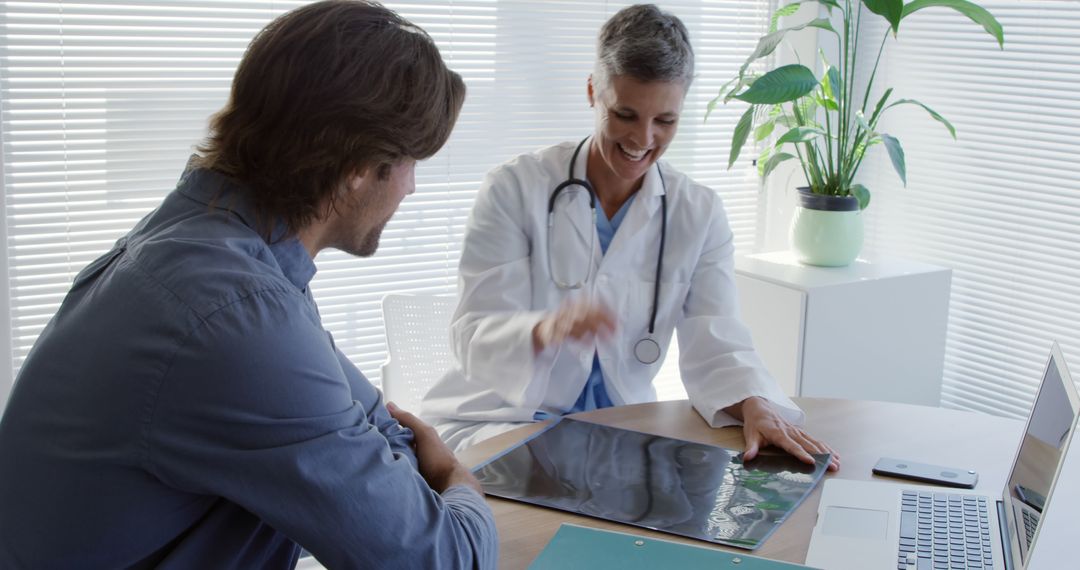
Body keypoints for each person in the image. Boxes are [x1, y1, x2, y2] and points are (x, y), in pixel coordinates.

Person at [0, 2, 496, 568]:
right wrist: (458, 479)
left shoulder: (214, 242)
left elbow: (375, 423)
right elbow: (445, 558)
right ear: (359, 164)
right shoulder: (235, 312)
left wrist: (397, 474)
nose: (410, 187)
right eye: (410, 161)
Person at [422, 4, 840, 474]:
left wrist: (754, 403)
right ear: (591, 94)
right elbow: (473, 335)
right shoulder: (514, 189)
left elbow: (716, 334)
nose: (644, 138)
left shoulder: (697, 212)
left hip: (616, 430)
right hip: (501, 418)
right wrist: (546, 329)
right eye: (625, 114)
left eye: (666, 121)